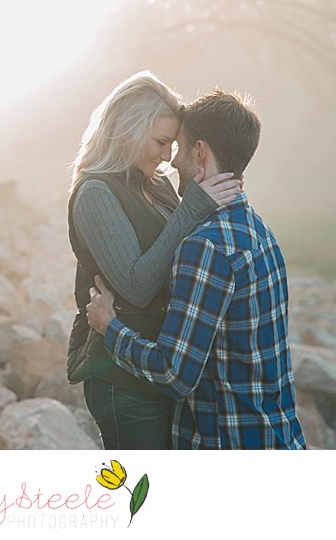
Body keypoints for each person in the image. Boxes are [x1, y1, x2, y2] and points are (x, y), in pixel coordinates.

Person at [86, 89, 306, 449]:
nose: (171, 163)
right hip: (277, 436)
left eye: (179, 148)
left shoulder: (206, 246)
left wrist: (109, 326)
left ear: (200, 152)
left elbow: (173, 373)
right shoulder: (258, 230)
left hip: (228, 443)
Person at [66, 72, 242, 450]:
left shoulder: (156, 183)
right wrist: (195, 204)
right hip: (122, 381)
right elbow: (137, 286)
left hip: (160, 369)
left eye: (172, 144)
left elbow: (180, 253)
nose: (166, 156)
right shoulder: (95, 193)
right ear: (127, 130)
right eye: (161, 142)